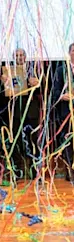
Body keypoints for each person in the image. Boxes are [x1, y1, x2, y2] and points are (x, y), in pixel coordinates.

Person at [0, 48, 42, 179]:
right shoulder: (8, 71)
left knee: (33, 141)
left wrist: (37, 84)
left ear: (25, 56)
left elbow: (43, 88)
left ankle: (35, 171)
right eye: (16, 55)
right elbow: (4, 93)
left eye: (21, 55)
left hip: (31, 111)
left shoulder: (34, 70)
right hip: (15, 112)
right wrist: (3, 83)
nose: (19, 57)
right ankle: (18, 171)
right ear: (13, 57)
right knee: (16, 141)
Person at [53, 43, 74, 183]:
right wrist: (61, 96)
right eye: (73, 51)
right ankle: (69, 170)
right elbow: (55, 91)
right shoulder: (61, 71)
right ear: (69, 53)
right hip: (66, 112)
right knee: (68, 142)